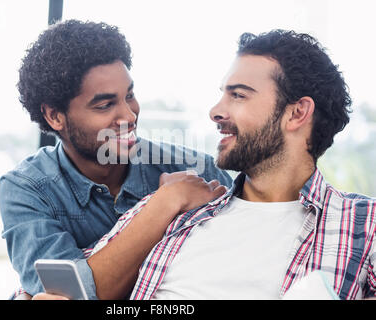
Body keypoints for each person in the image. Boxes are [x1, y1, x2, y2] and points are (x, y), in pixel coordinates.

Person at [45, 29, 374, 300]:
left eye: (239, 95)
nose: (216, 111)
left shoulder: (365, 225)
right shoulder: (177, 212)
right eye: (223, 94)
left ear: (297, 113)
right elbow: (64, 286)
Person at [0, 19, 232, 300]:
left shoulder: (195, 169)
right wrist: (166, 202)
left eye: (129, 96)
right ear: (55, 116)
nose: (130, 116)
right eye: (105, 105)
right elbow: (71, 295)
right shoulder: (27, 189)